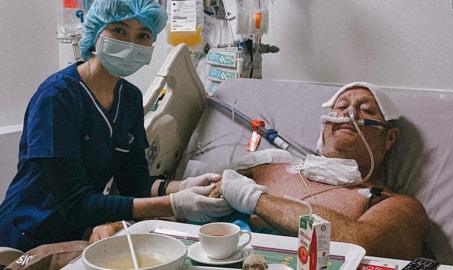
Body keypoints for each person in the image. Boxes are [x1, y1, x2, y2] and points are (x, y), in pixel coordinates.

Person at [0, 0, 232, 252]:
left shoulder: (129, 97)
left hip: (80, 231)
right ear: (96, 32)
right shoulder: (58, 98)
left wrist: (181, 187)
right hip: (29, 236)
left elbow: (135, 182)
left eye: (143, 35)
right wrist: (173, 204)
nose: (131, 44)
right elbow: (76, 203)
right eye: (119, 31)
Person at [212, 82, 429, 260]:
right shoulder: (271, 166)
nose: (349, 113)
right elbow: (197, 188)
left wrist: (254, 199)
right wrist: (181, 198)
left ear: (389, 137)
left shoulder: (396, 204)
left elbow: (362, 244)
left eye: (366, 110)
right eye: (341, 106)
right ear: (325, 125)